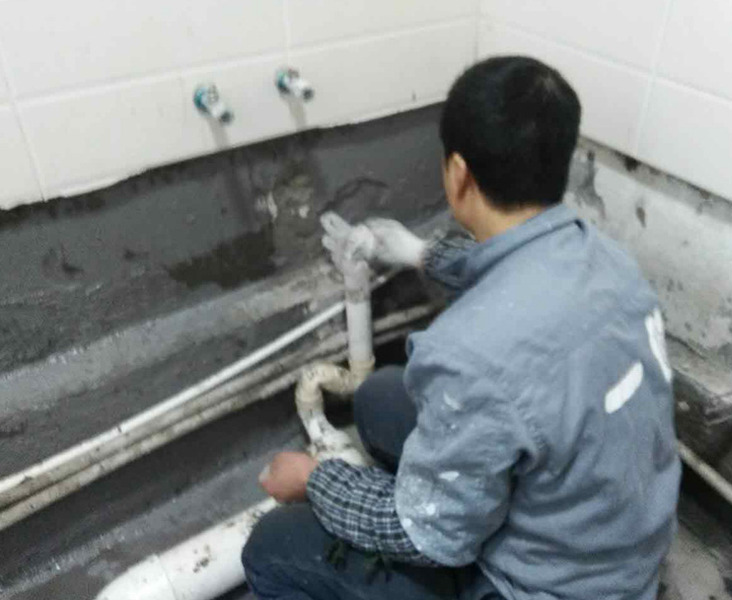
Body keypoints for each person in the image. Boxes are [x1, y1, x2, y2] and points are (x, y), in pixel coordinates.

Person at [241, 55, 681, 600]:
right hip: (616, 547)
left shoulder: (466, 354)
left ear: (458, 173)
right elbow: (518, 269)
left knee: (274, 546)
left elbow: (424, 536)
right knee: (380, 397)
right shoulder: (611, 263)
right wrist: (420, 253)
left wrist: (313, 479)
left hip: (543, 588)